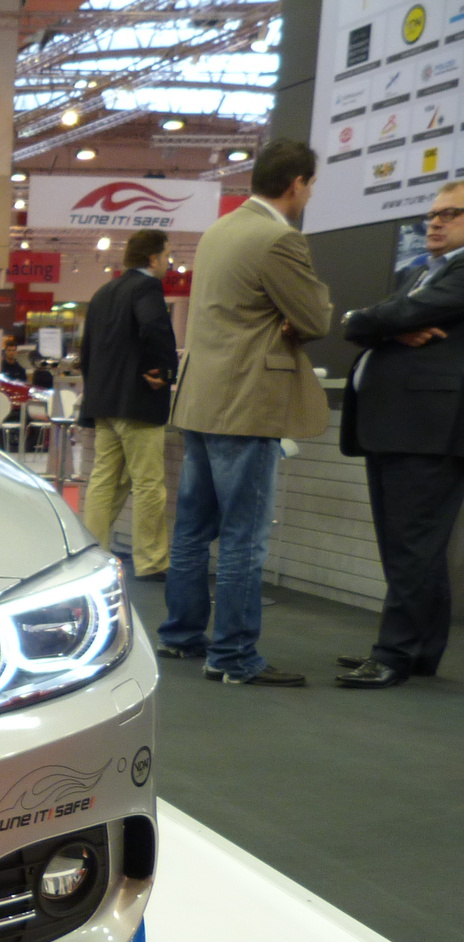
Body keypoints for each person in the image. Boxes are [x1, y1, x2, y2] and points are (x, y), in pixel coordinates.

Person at [157, 140, 333, 686]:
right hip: (248, 404)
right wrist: (291, 317)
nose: (310, 194)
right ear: (297, 183)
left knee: (192, 530)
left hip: (202, 398)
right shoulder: (279, 239)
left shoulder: (219, 231)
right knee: (243, 536)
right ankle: (233, 656)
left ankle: (182, 635)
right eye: (311, 185)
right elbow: (316, 318)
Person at [335, 180, 464, 687]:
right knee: (409, 548)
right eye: (433, 214)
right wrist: (377, 324)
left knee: (413, 547)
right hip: (395, 427)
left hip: (428, 431)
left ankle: (393, 654)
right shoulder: (420, 273)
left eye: (451, 213)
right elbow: (377, 320)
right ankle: (420, 651)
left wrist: (373, 322)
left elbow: (391, 316)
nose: (435, 222)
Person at [79, 229, 179, 581]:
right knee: (148, 483)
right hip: (138, 401)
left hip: (103, 402)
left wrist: (94, 391)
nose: (168, 262)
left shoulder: (103, 292)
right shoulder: (147, 287)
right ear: (152, 258)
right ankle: (151, 561)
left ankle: (91, 554)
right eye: (166, 255)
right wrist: (164, 370)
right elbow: (154, 326)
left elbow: (87, 350)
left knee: (103, 481)